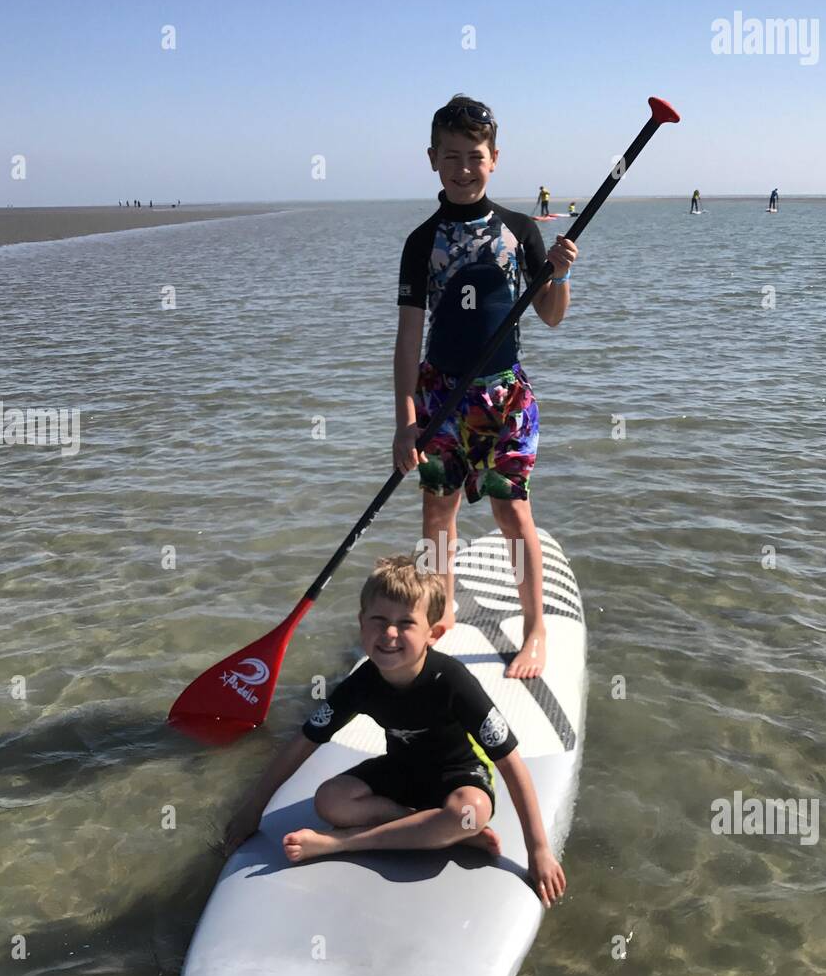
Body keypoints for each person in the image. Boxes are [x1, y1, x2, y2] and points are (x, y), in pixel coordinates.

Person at [224, 555, 567, 906]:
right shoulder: (361, 684)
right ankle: (438, 832)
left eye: (405, 623)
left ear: (433, 633)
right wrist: (254, 807)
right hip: (401, 772)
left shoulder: (452, 681)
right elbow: (302, 743)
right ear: (361, 623)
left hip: (458, 775)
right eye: (379, 620)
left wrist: (539, 849)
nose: (389, 633)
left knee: (470, 812)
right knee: (329, 800)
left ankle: (341, 844)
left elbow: (511, 763)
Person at [393, 94, 576, 680]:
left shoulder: (520, 230)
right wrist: (405, 420)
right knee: (435, 512)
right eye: (451, 156)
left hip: (504, 395)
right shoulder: (422, 243)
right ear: (432, 159)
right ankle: (439, 614)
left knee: (511, 510)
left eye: (474, 156)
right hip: (440, 393)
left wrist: (560, 275)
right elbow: (407, 339)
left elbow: (549, 315)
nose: (463, 168)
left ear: (494, 158)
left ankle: (535, 628)